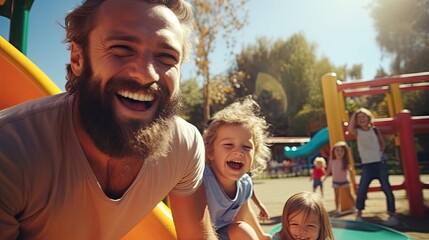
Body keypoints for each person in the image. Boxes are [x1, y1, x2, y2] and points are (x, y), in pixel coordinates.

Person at [0, 0, 217, 239]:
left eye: (166, 57)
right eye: (122, 48)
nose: (147, 73)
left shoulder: (183, 145)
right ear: (77, 58)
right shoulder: (9, 151)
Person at [203, 97, 272, 240]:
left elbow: (245, 211)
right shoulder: (203, 180)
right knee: (242, 231)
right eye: (228, 145)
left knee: (243, 230)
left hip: (221, 234)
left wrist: (261, 235)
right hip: (196, 233)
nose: (239, 152)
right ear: (210, 152)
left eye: (247, 147)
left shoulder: (245, 183)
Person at [348, 107, 398, 227]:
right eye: (359, 118)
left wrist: (379, 154)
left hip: (379, 164)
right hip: (367, 165)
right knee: (362, 190)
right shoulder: (357, 131)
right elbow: (350, 128)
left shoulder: (375, 130)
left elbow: (382, 143)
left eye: (363, 117)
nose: (361, 119)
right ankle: (359, 214)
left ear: (368, 118)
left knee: (386, 188)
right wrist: (355, 113)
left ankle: (392, 215)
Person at [323, 141, 355, 215]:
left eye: (341, 151)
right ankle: (338, 209)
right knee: (337, 196)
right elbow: (328, 170)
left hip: (345, 181)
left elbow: (350, 171)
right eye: (337, 150)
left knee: (349, 195)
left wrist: (350, 170)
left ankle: (354, 207)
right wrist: (325, 178)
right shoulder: (332, 161)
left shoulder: (345, 161)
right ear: (333, 151)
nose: (339, 152)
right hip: (335, 182)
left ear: (345, 152)